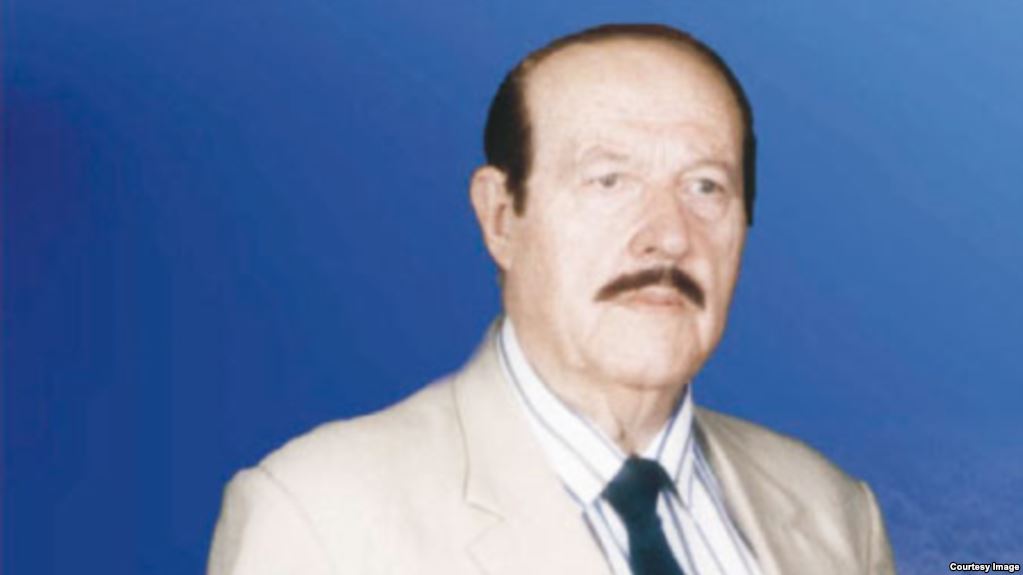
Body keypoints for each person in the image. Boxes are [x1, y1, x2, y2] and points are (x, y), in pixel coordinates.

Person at [208, 23, 896, 575]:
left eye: (705, 186)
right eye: (608, 180)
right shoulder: (320, 515)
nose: (667, 235)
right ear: (500, 216)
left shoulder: (834, 510)